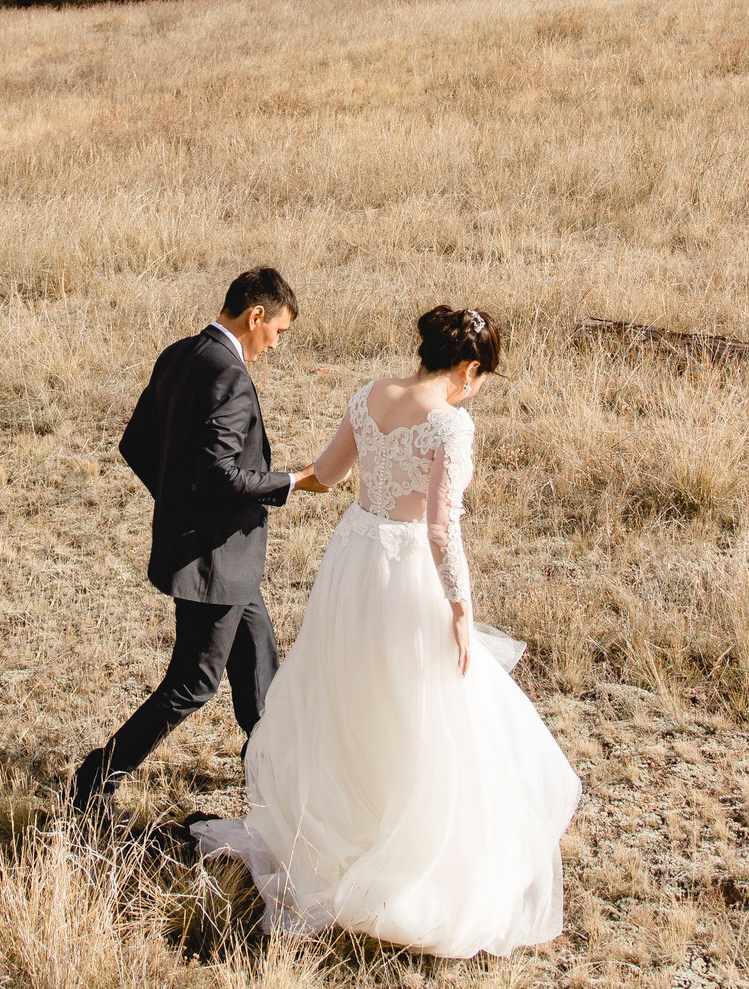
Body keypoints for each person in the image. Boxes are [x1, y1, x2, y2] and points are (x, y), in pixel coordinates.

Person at [193, 305, 580, 958]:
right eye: (482, 376)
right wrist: (461, 609)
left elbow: (330, 471)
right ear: (468, 367)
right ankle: (403, 848)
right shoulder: (450, 425)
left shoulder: (371, 395)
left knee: (350, 690)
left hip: (353, 556)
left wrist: (261, 487)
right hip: (405, 568)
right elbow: (439, 528)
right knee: (420, 699)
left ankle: (340, 827)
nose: (477, 387)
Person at [70, 267, 302, 813]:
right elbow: (222, 472)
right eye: (279, 332)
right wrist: (293, 480)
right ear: (257, 316)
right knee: (194, 683)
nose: (275, 345)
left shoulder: (178, 354)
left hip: (222, 556)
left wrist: (179, 500)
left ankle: (266, 766)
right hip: (214, 560)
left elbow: (138, 444)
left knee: (258, 658)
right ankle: (97, 774)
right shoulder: (231, 376)